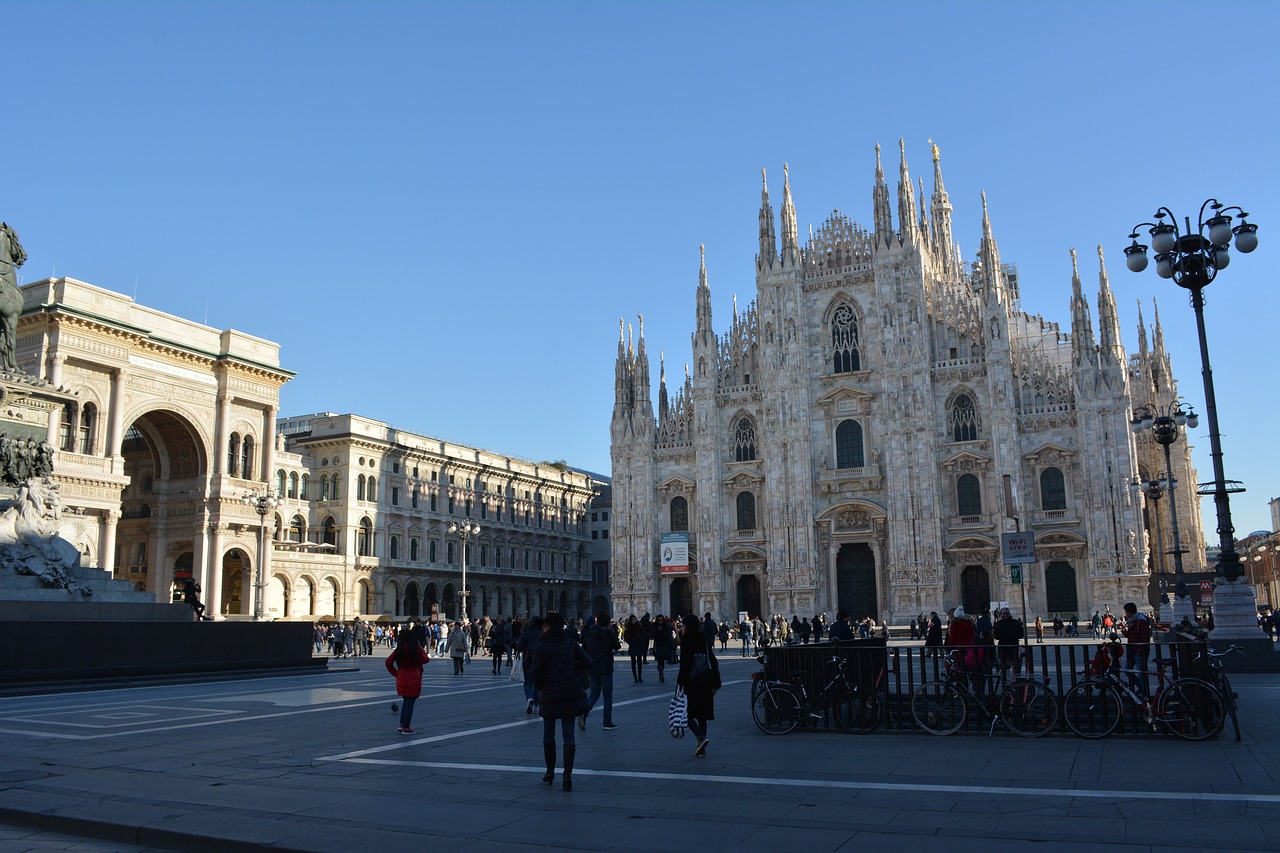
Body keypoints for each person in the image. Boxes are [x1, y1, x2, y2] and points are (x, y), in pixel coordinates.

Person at [529, 611, 591, 791]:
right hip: (570, 693)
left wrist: (543, 685)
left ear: (549, 627)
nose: (543, 627)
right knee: (569, 736)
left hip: (550, 694)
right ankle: (567, 776)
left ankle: (549, 771)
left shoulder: (542, 646)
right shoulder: (570, 643)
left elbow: (534, 673)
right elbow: (587, 661)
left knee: (549, 735)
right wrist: (572, 669)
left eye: (545, 625)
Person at [677, 613, 720, 758]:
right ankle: (701, 747)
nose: (682, 628)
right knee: (702, 715)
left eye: (683, 625)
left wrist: (680, 683)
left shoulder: (686, 640)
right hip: (706, 681)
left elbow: (684, 665)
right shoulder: (703, 639)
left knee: (687, 715)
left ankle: (700, 738)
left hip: (692, 682)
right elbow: (712, 661)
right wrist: (716, 682)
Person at [580, 615, 621, 730]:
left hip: (592, 668)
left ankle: (584, 712)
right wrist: (614, 633)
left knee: (594, 694)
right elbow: (617, 647)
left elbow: (584, 650)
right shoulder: (609, 634)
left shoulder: (589, 634)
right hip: (606, 668)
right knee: (607, 696)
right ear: (608, 623)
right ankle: (607, 722)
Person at [385, 631, 430, 734]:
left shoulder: (399, 649)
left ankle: (402, 724)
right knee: (410, 703)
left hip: (401, 676)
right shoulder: (416, 649)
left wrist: (395, 673)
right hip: (413, 675)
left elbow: (388, 662)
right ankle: (406, 727)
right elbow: (426, 659)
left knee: (406, 701)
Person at [1120, 601, 1153, 709]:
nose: (1125, 614)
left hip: (1139, 651)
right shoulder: (1132, 621)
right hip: (1132, 650)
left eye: (1126, 611)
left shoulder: (1141, 621)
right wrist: (1126, 633)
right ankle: (1141, 688)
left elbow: (1145, 637)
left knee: (1141, 673)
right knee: (1126, 669)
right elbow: (1132, 635)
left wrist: (1140, 649)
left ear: (1130, 612)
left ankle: (1145, 695)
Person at [517, 616, 545, 713]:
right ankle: (536, 707)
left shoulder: (525, 634)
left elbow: (519, 647)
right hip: (540, 661)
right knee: (537, 685)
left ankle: (529, 699)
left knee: (528, 683)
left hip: (527, 660)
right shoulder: (542, 633)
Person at [992, 607, 1025, 673]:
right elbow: (995, 636)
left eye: (1007, 613)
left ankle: (1015, 681)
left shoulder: (1016, 623)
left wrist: (1011, 636)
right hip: (1003, 648)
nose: (1005, 615)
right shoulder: (998, 624)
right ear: (1001, 614)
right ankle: (1007, 681)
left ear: (1009, 614)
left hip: (1013, 647)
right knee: (1005, 667)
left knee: (1015, 667)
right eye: (1004, 613)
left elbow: (1021, 634)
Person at [650, 614, 675, 683]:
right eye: (659, 620)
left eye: (661, 620)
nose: (660, 621)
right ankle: (661, 673)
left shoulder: (666, 627)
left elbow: (670, 637)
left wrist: (672, 646)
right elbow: (651, 636)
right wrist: (657, 631)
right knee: (660, 660)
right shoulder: (654, 627)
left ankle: (661, 671)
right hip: (658, 646)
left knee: (663, 660)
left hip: (665, 646)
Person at [624, 615, 646, 683]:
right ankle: (635, 677)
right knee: (633, 662)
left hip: (639, 645)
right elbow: (625, 637)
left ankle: (639, 676)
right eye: (632, 619)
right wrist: (630, 642)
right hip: (632, 646)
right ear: (630, 620)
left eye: (634, 619)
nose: (633, 621)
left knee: (639, 662)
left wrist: (642, 642)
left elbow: (643, 635)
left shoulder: (639, 627)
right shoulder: (628, 628)